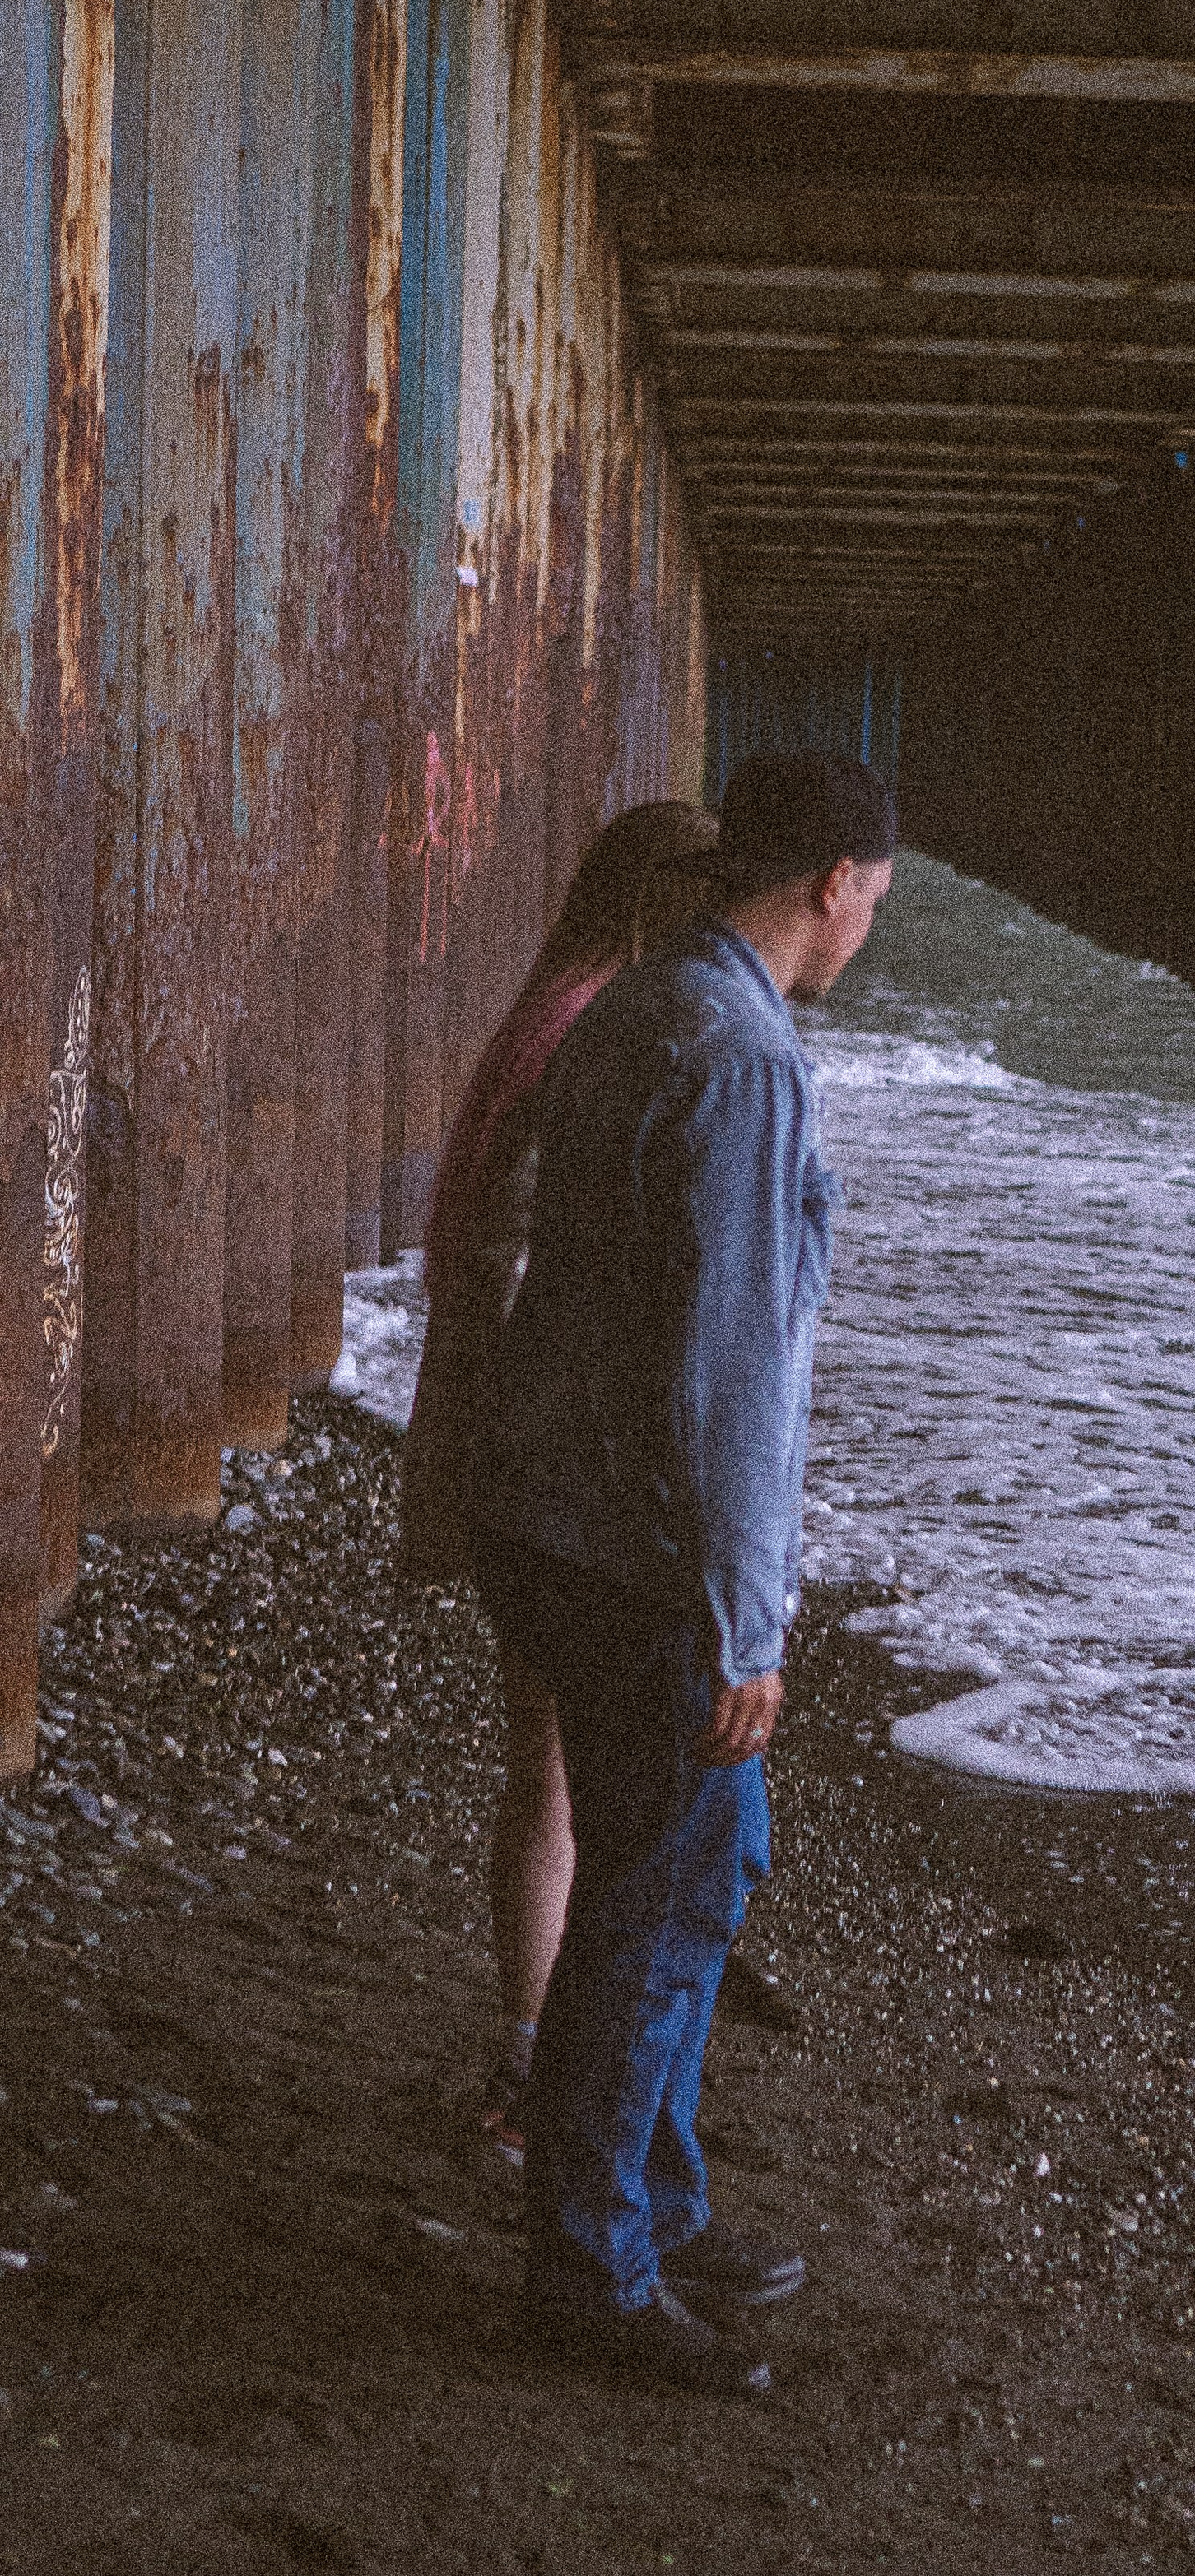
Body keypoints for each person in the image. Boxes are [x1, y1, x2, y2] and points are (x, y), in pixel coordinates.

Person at [472, 751, 895, 2391]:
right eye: (873, 897)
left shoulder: (641, 1005)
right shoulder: (738, 1057)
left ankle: (650, 2194)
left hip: (549, 1516)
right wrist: (739, 1624)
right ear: (830, 886)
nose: (866, 924)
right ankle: (591, 2266)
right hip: (636, 1550)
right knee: (652, 1902)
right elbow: (723, 1371)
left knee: (692, 1865)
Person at [401, 800, 719, 2157]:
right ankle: (543, 2071)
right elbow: (532, 1269)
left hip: (484, 1438)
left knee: (544, 1765)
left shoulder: (548, 1008)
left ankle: (533, 2049)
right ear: (667, 900)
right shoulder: (604, 1031)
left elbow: (472, 1254)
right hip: (537, 1461)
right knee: (576, 1775)